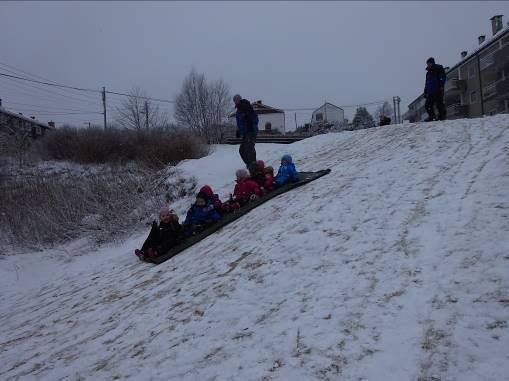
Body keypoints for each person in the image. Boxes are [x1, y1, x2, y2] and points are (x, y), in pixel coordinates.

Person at [233, 94, 259, 174]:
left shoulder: (246, 106)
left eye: (236, 100)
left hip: (250, 132)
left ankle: (253, 166)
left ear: (239, 99)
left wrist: (251, 126)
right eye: (234, 101)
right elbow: (239, 123)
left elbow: (255, 119)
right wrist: (238, 131)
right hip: (244, 133)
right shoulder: (238, 110)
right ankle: (249, 165)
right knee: (242, 150)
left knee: (249, 149)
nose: (235, 102)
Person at [424, 57, 447, 122]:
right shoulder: (428, 73)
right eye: (427, 64)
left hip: (438, 90)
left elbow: (443, 77)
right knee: (427, 105)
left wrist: (441, 86)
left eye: (428, 63)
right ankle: (432, 116)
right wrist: (425, 91)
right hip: (430, 92)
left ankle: (442, 116)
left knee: (439, 104)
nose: (427, 65)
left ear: (432, 63)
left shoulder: (438, 68)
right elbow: (427, 83)